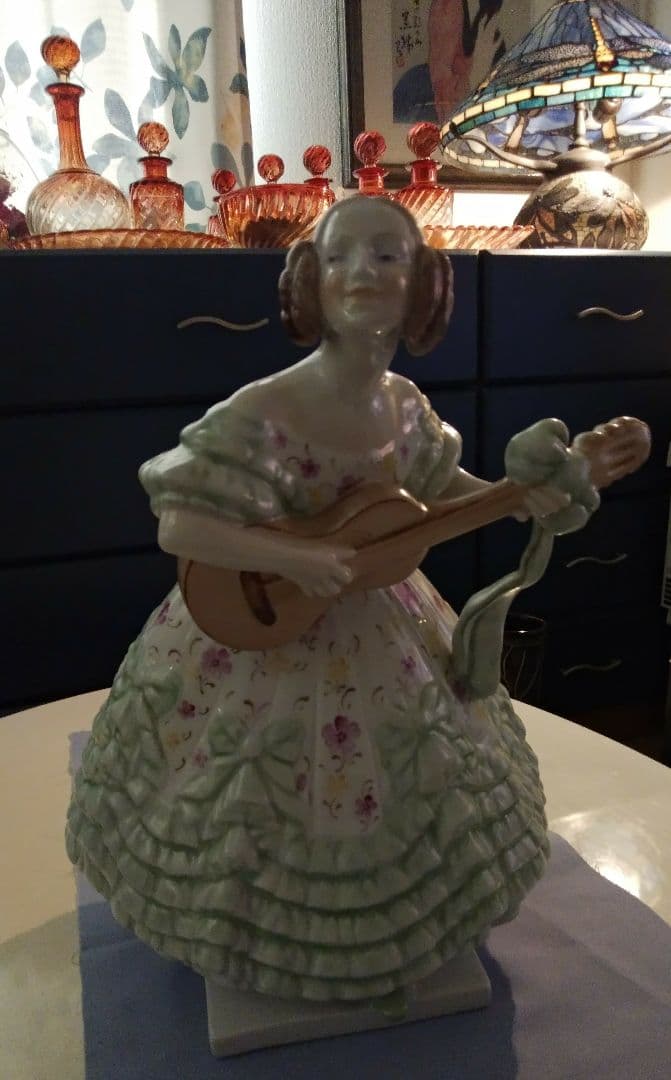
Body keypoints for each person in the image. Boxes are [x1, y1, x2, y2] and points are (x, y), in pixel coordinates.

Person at [66, 196, 594, 1007]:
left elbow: (434, 485)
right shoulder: (267, 408)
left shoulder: (404, 405)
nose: (361, 274)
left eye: (387, 256)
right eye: (340, 256)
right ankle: (257, 941)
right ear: (308, 281)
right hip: (267, 628)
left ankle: (391, 936)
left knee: (418, 763)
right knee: (251, 783)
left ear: (423, 283)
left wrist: (516, 497)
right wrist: (294, 556)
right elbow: (181, 523)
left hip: (384, 617)